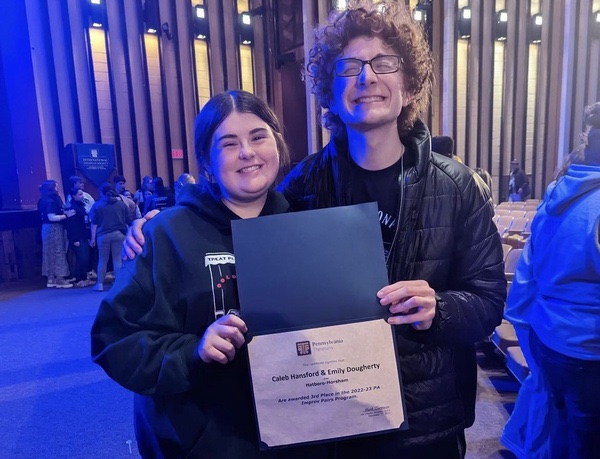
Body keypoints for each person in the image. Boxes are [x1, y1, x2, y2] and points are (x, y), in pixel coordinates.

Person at [123, 2, 506, 457]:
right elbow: (232, 225)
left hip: (427, 425)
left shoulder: (457, 185)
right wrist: (160, 224)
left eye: (384, 63)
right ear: (329, 89)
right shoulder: (301, 186)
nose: (367, 78)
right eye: (349, 67)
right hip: (328, 420)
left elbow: (488, 301)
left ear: (408, 84)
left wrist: (438, 308)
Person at [92, 90, 328, 459]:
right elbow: (115, 339)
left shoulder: (304, 229)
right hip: (203, 442)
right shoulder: (165, 234)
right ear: (207, 160)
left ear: (278, 145)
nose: (247, 152)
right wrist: (193, 351)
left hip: (293, 436)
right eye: (229, 143)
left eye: (258, 136)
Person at [502, 101, 600, 458]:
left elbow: (527, 274)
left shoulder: (558, 196)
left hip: (550, 338)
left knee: (562, 434)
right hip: (587, 348)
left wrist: (530, 335)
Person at [89, 182, 131, 292]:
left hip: (102, 236)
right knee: (117, 259)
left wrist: (92, 238)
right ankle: (118, 284)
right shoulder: (121, 204)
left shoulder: (97, 205)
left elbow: (94, 223)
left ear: (101, 193)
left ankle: (99, 284)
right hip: (119, 234)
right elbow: (128, 220)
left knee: (102, 260)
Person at [37, 180, 75, 288]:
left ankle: (50, 278)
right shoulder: (52, 201)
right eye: (56, 186)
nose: (58, 188)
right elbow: (52, 217)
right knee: (58, 251)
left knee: (48, 252)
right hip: (54, 228)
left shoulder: (42, 199)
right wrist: (67, 215)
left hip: (45, 228)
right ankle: (60, 278)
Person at [65, 188, 92, 287]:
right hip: (77, 237)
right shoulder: (72, 209)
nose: (82, 196)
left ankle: (82, 278)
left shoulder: (81, 207)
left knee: (85, 258)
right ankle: (80, 279)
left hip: (84, 235)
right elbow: (71, 226)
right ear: (74, 196)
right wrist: (75, 239)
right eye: (80, 194)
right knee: (82, 258)